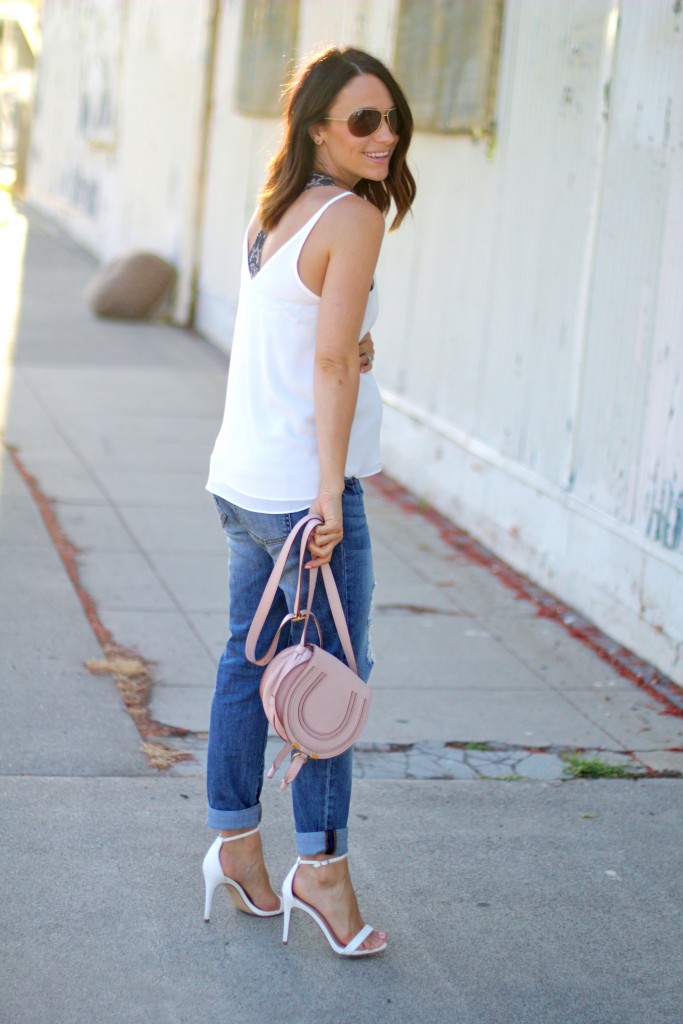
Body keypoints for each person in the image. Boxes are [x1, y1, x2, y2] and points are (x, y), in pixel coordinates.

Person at [202, 46, 416, 957]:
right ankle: (319, 867)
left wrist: (350, 354)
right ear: (318, 126)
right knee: (331, 679)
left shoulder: (278, 208)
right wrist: (329, 494)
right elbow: (325, 359)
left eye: (391, 117)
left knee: (247, 664)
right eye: (363, 121)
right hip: (301, 494)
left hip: (243, 479)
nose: (385, 136)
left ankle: (236, 845)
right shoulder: (354, 217)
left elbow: (303, 336)